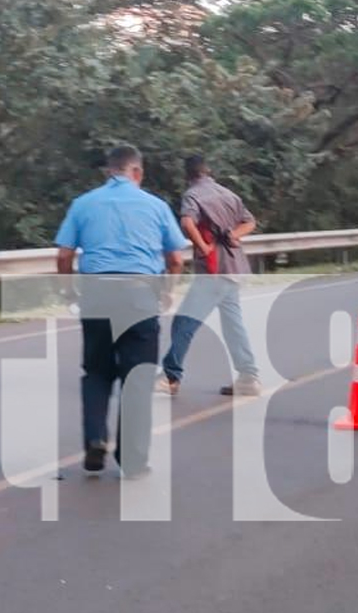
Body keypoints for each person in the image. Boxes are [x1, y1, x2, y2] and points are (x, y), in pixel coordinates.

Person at [56, 145, 190, 479]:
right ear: (138, 172)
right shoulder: (156, 206)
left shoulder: (83, 204)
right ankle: (131, 461)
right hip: (140, 297)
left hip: (97, 296)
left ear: (108, 171)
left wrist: (69, 290)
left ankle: (95, 438)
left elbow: (63, 255)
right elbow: (176, 259)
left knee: (97, 372)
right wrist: (167, 292)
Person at [156, 155, 262, 397]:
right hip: (235, 269)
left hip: (214, 270)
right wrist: (235, 235)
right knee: (233, 324)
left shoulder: (193, 195)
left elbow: (186, 222)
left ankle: (170, 376)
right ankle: (248, 376)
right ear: (208, 172)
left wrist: (203, 247)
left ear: (188, 175)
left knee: (184, 322)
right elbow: (250, 221)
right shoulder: (228, 194)